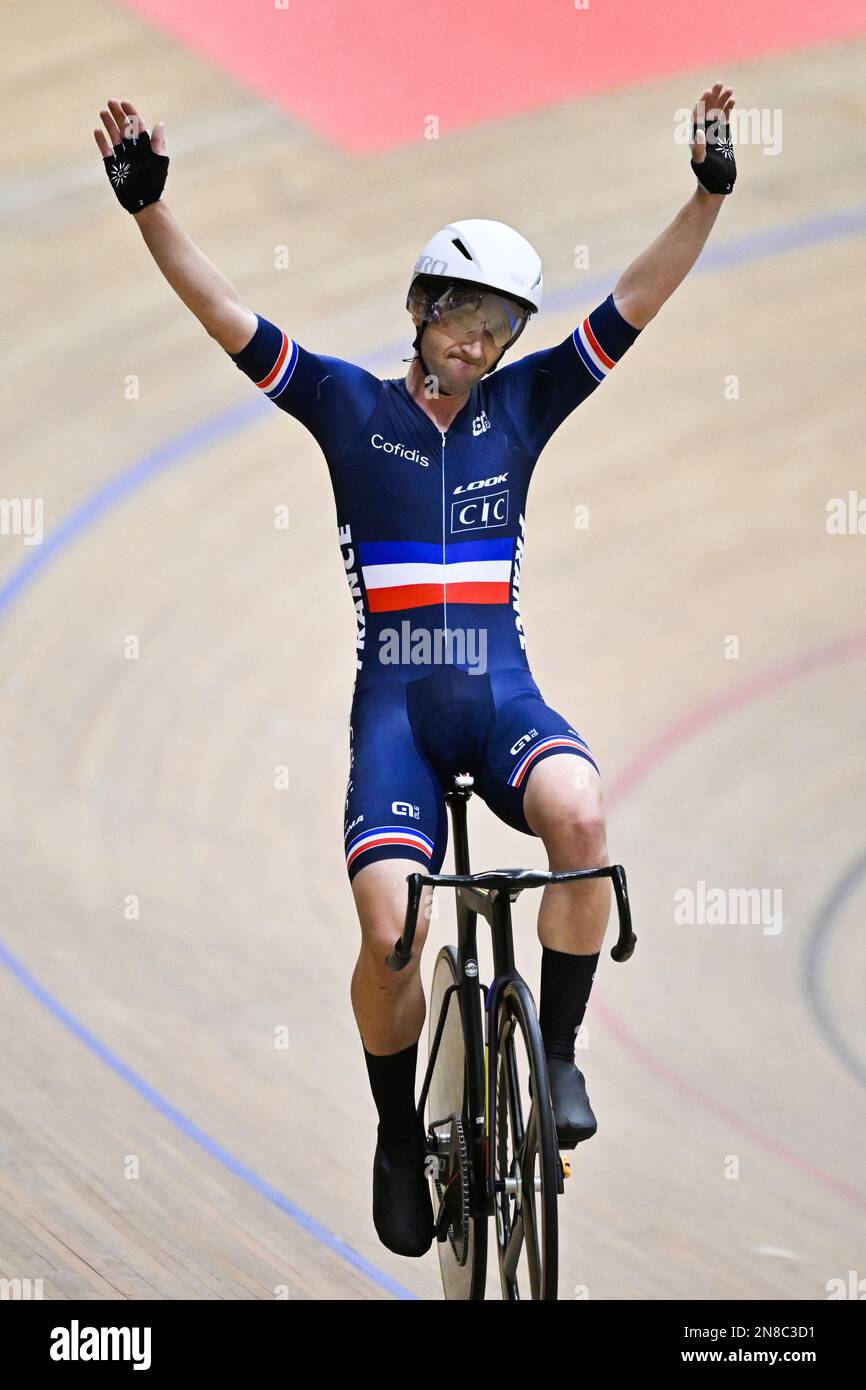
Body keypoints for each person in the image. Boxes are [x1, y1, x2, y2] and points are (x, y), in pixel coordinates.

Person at [95, 83, 736, 1259]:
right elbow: (225, 309)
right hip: (394, 712)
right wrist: (151, 212)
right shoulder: (345, 406)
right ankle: (398, 1133)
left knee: (583, 813)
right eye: (460, 323)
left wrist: (703, 192)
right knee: (389, 924)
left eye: (498, 330)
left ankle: (556, 1052)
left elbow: (632, 302)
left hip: (498, 700)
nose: (478, 347)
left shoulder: (524, 405)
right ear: (419, 310)